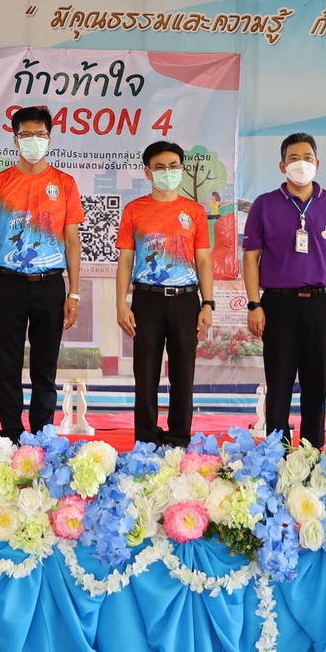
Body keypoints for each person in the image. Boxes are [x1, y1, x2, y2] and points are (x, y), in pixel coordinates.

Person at [243, 132, 326, 448]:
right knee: (278, 382)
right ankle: (275, 453)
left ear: (317, 163)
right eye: (294, 158)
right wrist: (255, 304)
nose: (301, 164)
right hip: (278, 304)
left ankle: (311, 451)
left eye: (307, 158)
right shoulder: (264, 205)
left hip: (322, 304)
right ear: (282, 165)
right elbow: (251, 258)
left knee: (315, 382)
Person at [0, 106, 84, 438]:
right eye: (26, 135)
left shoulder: (64, 183)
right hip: (9, 284)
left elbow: (72, 241)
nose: (33, 141)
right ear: (15, 138)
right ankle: (9, 433)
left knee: (44, 367)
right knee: (7, 366)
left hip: (51, 285)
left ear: (49, 139)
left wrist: (74, 293)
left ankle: (42, 434)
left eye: (40, 134)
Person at [115, 140, 214, 447]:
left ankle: (178, 439)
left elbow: (203, 260)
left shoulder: (194, 211)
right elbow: (126, 259)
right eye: (160, 167)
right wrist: (121, 303)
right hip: (146, 300)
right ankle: (146, 440)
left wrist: (207, 303)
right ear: (148, 172)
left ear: (182, 170)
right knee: (145, 376)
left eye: (174, 166)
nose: (167, 172)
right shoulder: (134, 210)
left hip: (186, 300)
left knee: (183, 375)